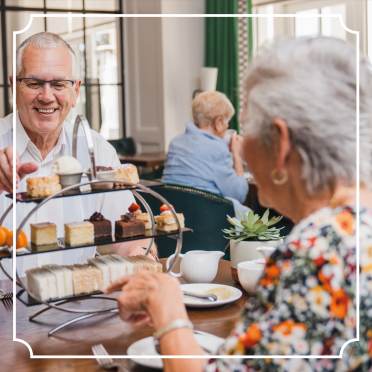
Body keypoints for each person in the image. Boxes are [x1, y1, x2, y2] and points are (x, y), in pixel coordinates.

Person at [106, 36, 372, 371]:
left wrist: (169, 311)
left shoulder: (318, 254)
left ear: (282, 142)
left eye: (245, 129)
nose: (241, 145)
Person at [0, 32, 155, 276]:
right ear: (13, 86)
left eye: (59, 84)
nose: (47, 96)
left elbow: (130, 238)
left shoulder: (97, 151)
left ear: (76, 90)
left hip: (78, 304)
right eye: (34, 83)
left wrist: (141, 256)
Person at [162, 91, 248, 211]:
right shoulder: (218, 149)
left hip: (177, 213)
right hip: (209, 215)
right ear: (218, 122)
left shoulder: (175, 143)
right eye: (227, 121)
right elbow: (239, 194)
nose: (228, 126)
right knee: (259, 221)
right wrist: (237, 155)